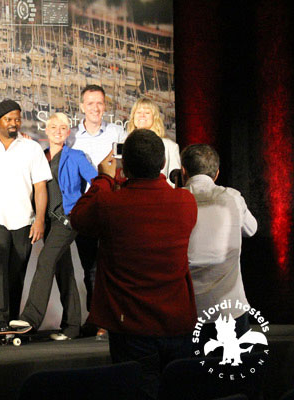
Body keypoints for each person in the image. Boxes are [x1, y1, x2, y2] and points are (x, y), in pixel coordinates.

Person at [71, 129, 198, 399]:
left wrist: (104, 177)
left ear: (124, 165)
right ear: (163, 163)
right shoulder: (186, 202)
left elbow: (79, 218)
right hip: (178, 324)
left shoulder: (110, 202)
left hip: (131, 327)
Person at [10, 113, 97, 340]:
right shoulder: (40, 156)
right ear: (46, 131)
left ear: (68, 132)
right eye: (54, 127)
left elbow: (97, 182)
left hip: (67, 220)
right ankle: (71, 327)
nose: (58, 131)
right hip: (48, 222)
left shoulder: (76, 156)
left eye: (63, 128)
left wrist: (82, 209)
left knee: (46, 260)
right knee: (63, 270)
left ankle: (30, 319)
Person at [0, 99, 51, 332]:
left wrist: (39, 219)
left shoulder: (32, 148)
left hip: (23, 219)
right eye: (8, 119)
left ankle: (13, 320)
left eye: (17, 119)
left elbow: (40, 187)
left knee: (17, 270)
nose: (14, 123)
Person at [181, 144, 257, 342]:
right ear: (216, 174)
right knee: (233, 371)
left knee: (192, 372)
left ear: (183, 172)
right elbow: (252, 229)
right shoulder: (232, 197)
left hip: (190, 312)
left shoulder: (174, 202)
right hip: (232, 309)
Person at [66, 84, 126, 323]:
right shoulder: (70, 136)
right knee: (89, 267)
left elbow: (123, 168)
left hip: (113, 208)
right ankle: (98, 318)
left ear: (105, 105)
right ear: (82, 107)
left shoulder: (117, 133)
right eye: (90, 103)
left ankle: (117, 317)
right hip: (85, 208)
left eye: (99, 103)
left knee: (115, 266)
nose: (95, 108)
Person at [127, 97, 180, 186]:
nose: (142, 116)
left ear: (154, 117)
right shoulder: (124, 145)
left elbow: (175, 182)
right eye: (138, 112)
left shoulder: (170, 147)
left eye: (147, 113)